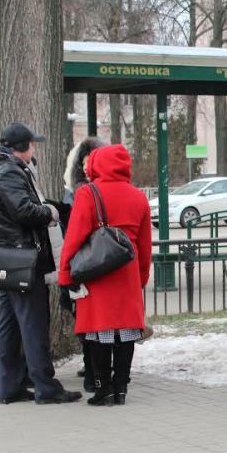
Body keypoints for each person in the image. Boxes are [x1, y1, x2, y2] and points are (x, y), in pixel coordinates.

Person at [0, 122, 82, 405]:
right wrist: (50, 212)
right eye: (32, 144)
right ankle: (46, 388)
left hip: (6, 258)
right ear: (21, 148)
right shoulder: (10, 172)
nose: (35, 148)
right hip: (22, 258)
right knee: (33, 323)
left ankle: (10, 386)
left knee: (9, 325)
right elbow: (24, 210)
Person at [58, 144, 151, 406]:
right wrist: (141, 277)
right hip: (128, 272)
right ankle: (121, 389)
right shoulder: (138, 197)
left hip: (97, 271)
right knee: (126, 334)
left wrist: (66, 274)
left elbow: (74, 238)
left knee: (99, 332)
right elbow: (144, 246)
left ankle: (103, 389)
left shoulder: (88, 193)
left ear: (96, 165)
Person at [59, 137, 107, 394]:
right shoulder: (78, 191)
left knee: (91, 321)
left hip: (86, 263)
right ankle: (96, 373)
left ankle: (95, 374)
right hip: (89, 264)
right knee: (88, 321)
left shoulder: (81, 192)